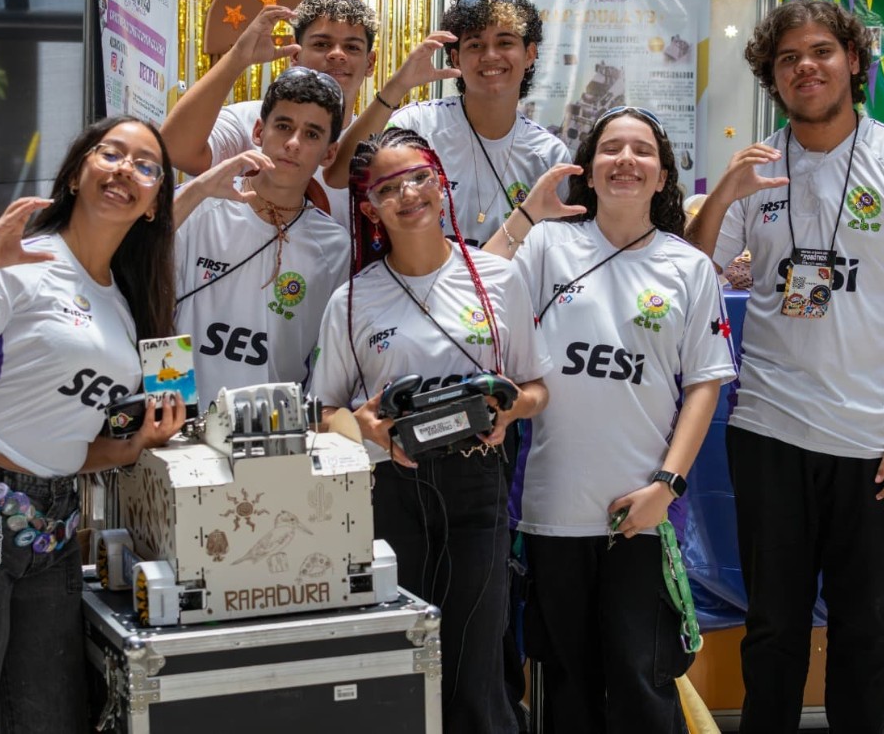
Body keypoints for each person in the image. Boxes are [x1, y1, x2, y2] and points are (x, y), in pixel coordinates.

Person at [684, 0, 884, 733]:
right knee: (772, 631)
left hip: (873, 443)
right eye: (787, 59)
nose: (804, 68)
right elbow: (687, 276)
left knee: (866, 633)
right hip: (768, 432)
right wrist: (723, 194)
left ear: (853, 61)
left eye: (820, 51)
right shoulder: (757, 167)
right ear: (771, 76)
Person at [0, 116, 188, 732]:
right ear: (77, 173)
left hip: (51, 527)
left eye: (145, 166)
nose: (125, 170)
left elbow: (63, 440)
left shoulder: (125, 303)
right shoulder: (22, 262)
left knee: (50, 722)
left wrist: (130, 446)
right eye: (111, 154)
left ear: (155, 203)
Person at [488, 106, 737, 731]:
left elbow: (704, 385)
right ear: (589, 169)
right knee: (569, 690)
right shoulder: (547, 244)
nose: (626, 159)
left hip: (641, 515)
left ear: (662, 176)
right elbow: (472, 298)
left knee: (641, 684)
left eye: (642, 151)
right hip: (552, 512)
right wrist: (525, 216)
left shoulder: (688, 267)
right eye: (611, 148)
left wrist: (667, 487)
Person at [312, 128, 552, 733]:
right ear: (370, 209)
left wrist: (507, 411)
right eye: (388, 188)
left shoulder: (497, 279)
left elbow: (537, 387)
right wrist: (365, 427)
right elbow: (325, 410)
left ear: (442, 185)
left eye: (420, 177)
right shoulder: (352, 299)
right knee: (401, 657)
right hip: (392, 491)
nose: (409, 194)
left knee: (475, 657)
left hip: (478, 484)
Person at [327, 0, 571, 246]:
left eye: (505, 42)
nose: (490, 55)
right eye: (475, 44)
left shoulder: (548, 155)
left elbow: (552, 249)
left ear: (530, 54)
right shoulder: (417, 125)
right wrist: (398, 85)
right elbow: (338, 176)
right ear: (455, 58)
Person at [173, 66, 349, 397]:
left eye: (312, 134)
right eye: (284, 126)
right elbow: (149, 304)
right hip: (184, 416)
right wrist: (174, 406)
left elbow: (325, 359)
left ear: (329, 153)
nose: (293, 143)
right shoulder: (200, 205)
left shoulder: (336, 247)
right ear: (258, 131)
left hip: (274, 423)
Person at [161, 0, 379, 224]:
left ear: (370, 63)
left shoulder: (376, 147)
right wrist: (238, 58)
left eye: (352, 47)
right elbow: (174, 151)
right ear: (295, 54)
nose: (337, 54)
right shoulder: (246, 120)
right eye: (321, 44)